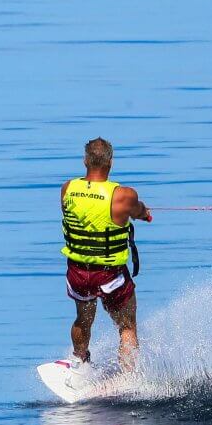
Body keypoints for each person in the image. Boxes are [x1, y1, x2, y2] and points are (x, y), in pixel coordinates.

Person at [61, 138, 153, 372]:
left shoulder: (68, 189)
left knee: (83, 319)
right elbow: (138, 211)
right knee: (127, 326)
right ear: (110, 162)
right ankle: (128, 378)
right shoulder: (123, 195)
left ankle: (79, 362)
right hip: (110, 274)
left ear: (85, 161)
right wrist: (144, 214)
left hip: (78, 272)